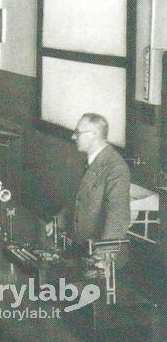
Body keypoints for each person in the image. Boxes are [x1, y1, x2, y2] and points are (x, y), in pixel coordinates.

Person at [46, 113, 130, 269]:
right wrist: (58, 221)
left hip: (100, 255)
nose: (73, 136)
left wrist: (104, 253)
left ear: (93, 135)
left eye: (78, 133)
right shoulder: (88, 160)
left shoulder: (116, 168)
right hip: (81, 247)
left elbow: (118, 216)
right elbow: (78, 198)